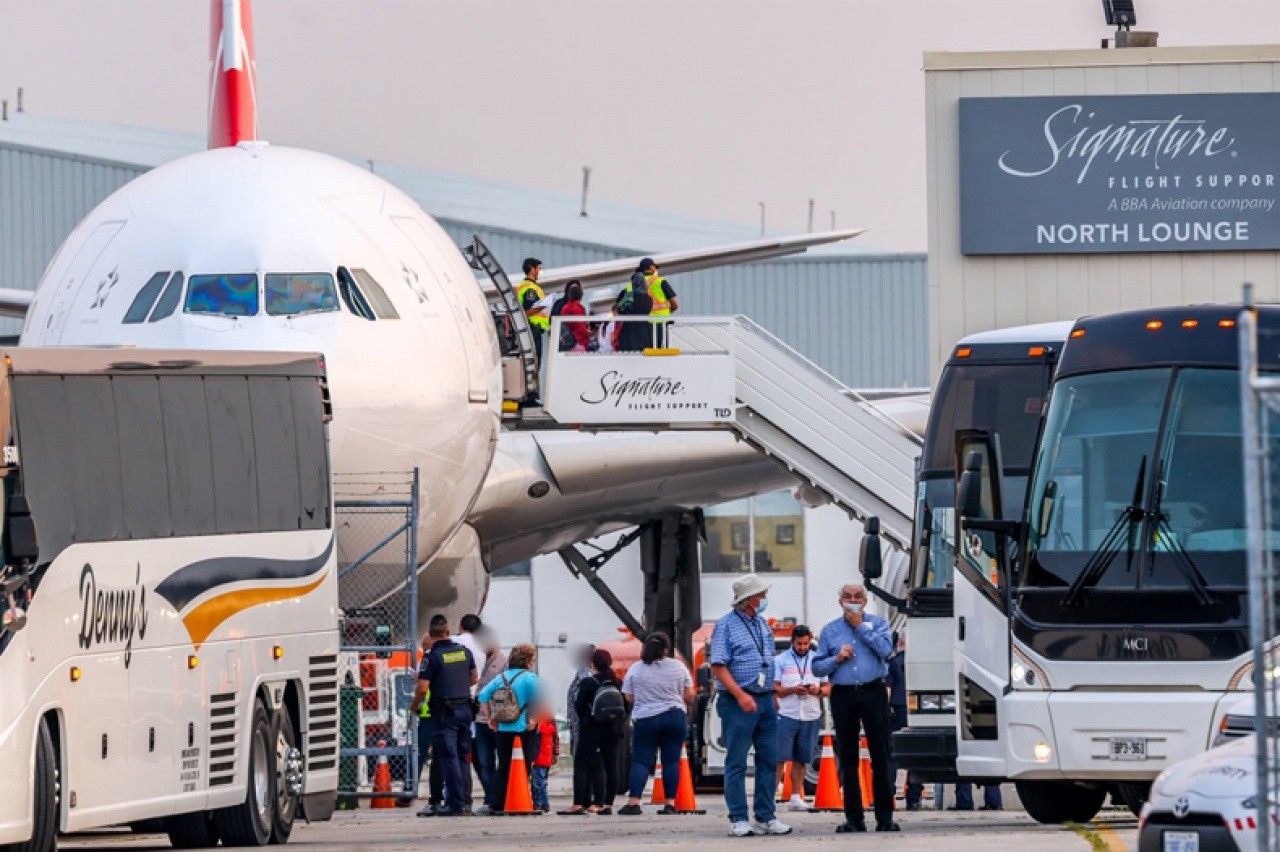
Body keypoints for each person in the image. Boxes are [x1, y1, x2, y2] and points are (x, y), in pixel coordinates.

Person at [709, 574, 792, 837]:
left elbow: (768, 661)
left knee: (769, 759)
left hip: (765, 698)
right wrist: (740, 695)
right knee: (737, 761)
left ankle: (766, 816)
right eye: (761, 595)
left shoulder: (762, 625)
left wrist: (773, 693)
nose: (765, 598)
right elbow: (718, 667)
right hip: (738, 700)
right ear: (749, 600)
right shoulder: (726, 626)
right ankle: (738, 818)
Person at [813, 584, 899, 833]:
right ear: (840, 601)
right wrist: (836, 658)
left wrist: (860, 626)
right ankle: (854, 818)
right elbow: (818, 668)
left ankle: (885, 817)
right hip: (843, 694)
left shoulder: (879, 624)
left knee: (880, 755)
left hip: (873, 691)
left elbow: (886, 650)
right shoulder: (830, 631)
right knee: (848, 756)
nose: (853, 601)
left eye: (858, 597)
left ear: (865, 600)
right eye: (848, 597)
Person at [618, 633, 692, 816]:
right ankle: (670, 804)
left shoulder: (636, 669)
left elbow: (628, 696)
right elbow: (689, 695)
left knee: (641, 761)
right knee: (671, 762)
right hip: (674, 717)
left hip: (646, 719)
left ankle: (634, 802)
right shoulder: (678, 666)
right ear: (666, 649)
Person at [411, 615, 478, 817]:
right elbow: (474, 678)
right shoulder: (465, 653)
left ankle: (455, 804)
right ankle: (465, 802)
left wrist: (414, 706)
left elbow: (422, 688)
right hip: (465, 710)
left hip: (444, 713)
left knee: (448, 757)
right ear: (448, 633)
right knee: (462, 757)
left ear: (431, 634)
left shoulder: (431, 657)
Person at [477, 642, 543, 814]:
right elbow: (539, 702)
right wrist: (534, 719)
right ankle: (520, 800)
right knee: (524, 766)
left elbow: (483, 696)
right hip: (524, 728)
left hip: (504, 728)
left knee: (503, 766)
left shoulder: (501, 678)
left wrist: (490, 718)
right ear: (528, 661)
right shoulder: (530, 678)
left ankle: (497, 803)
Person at [561, 648, 625, 815]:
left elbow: (579, 706)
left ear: (593, 663)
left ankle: (578, 804)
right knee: (611, 766)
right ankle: (606, 804)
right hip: (614, 729)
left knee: (581, 764)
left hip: (592, 730)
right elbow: (626, 706)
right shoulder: (618, 682)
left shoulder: (588, 682)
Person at [774, 623, 828, 812]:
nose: (802, 648)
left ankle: (796, 797)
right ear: (792, 642)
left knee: (802, 759)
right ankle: (770, 798)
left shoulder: (817, 661)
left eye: (805, 644)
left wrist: (817, 690)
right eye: (799, 644)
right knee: (779, 758)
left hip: (811, 715)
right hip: (786, 714)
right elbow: (776, 689)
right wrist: (792, 690)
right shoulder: (780, 661)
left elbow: (828, 688)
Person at [885, 631, 923, 811]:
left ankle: (888, 795)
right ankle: (913, 799)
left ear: (900, 642)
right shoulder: (921, 662)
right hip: (918, 709)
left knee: (892, 755)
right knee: (916, 756)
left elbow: (887, 690)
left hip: (898, 710)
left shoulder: (894, 663)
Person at [471, 627, 507, 815]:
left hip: (498, 720)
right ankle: (491, 796)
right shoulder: (477, 660)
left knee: (501, 761)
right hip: (479, 719)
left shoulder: (504, 662)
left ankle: (499, 797)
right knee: (484, 762)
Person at [412, 631, 445, 816]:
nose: (425, 651)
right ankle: (414, 786)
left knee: (427, 754)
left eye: (426, 647)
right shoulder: (428, 659)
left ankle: (423, 791)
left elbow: (423, 686)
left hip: (431, 713)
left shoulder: (431, 660)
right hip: (430, 713)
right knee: (423, 753)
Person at [516, 258, 549, 362]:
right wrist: (544, 305)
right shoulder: (530, 288)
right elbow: (527, 311)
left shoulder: (524, 286)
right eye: (539, 268)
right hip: (533, 328)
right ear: (532, 269)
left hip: (532, 329)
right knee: (535, 361)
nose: (540, 272)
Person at [531, 715, 558, 812]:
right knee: (542, 782)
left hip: (538, 759)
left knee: (538, 783)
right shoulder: (551, 725)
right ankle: (543, 803)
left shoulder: (539, 726)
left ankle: (540, 803)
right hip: (547, 759)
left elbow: (534, 744)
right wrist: (555, 755)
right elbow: (556, 740)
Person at [557, 280, 592, 352]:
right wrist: (588, 332)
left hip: (566, 343)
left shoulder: (565, 308)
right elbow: (579, 327)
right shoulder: (577, 308)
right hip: (577, 343)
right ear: (580, 295)